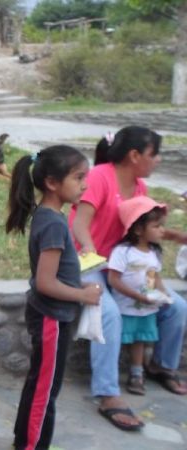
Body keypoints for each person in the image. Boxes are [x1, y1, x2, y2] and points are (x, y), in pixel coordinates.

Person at [70, 126, 187, 431]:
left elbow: (140, 232)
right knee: (107, 312)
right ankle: (108, 394)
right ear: (135, 155)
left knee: (176, 307)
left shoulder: (140, 189)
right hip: (89, 262)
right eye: (154, 154)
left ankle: (162, 366)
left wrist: (173, 236)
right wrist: (91, 249)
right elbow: (79, 224)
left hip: (123, 264)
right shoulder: (99, 176)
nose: (158, 160)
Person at [5, 146, 101, 450]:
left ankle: (24, 440)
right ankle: (31, 445)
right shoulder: (53, 223)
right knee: (45, 391)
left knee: (39, 386)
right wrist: (83, 294)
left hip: (51, 316)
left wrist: (76, 282)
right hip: (52, 319)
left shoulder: (49, 218)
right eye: (78, 177)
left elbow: (52, 275)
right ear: (51, 182)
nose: (85, 184)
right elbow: (46, 282)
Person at [108, 197, 171, 396]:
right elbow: (114, 279)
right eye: (156, 226)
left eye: (162, 226)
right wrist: (136, 295)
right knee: (118, 339)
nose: (162, 230)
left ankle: (137, 373)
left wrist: (164, 294)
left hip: (146, 308)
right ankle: (109, 373)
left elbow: (156, 276)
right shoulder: (123, 252)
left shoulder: (154, 253)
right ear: (137, 230)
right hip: (125, 307)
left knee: (139, 341)